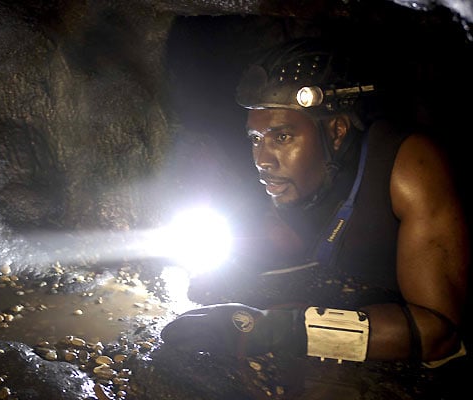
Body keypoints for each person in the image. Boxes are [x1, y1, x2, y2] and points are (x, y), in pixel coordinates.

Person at [161, 37, 470, 367]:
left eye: (282, 137)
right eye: (255, 140)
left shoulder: (411, 167)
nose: (262, 159)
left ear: (336, 131)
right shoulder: (295, 178)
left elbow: (439, 334)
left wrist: (282, 330)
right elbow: (282, 243)